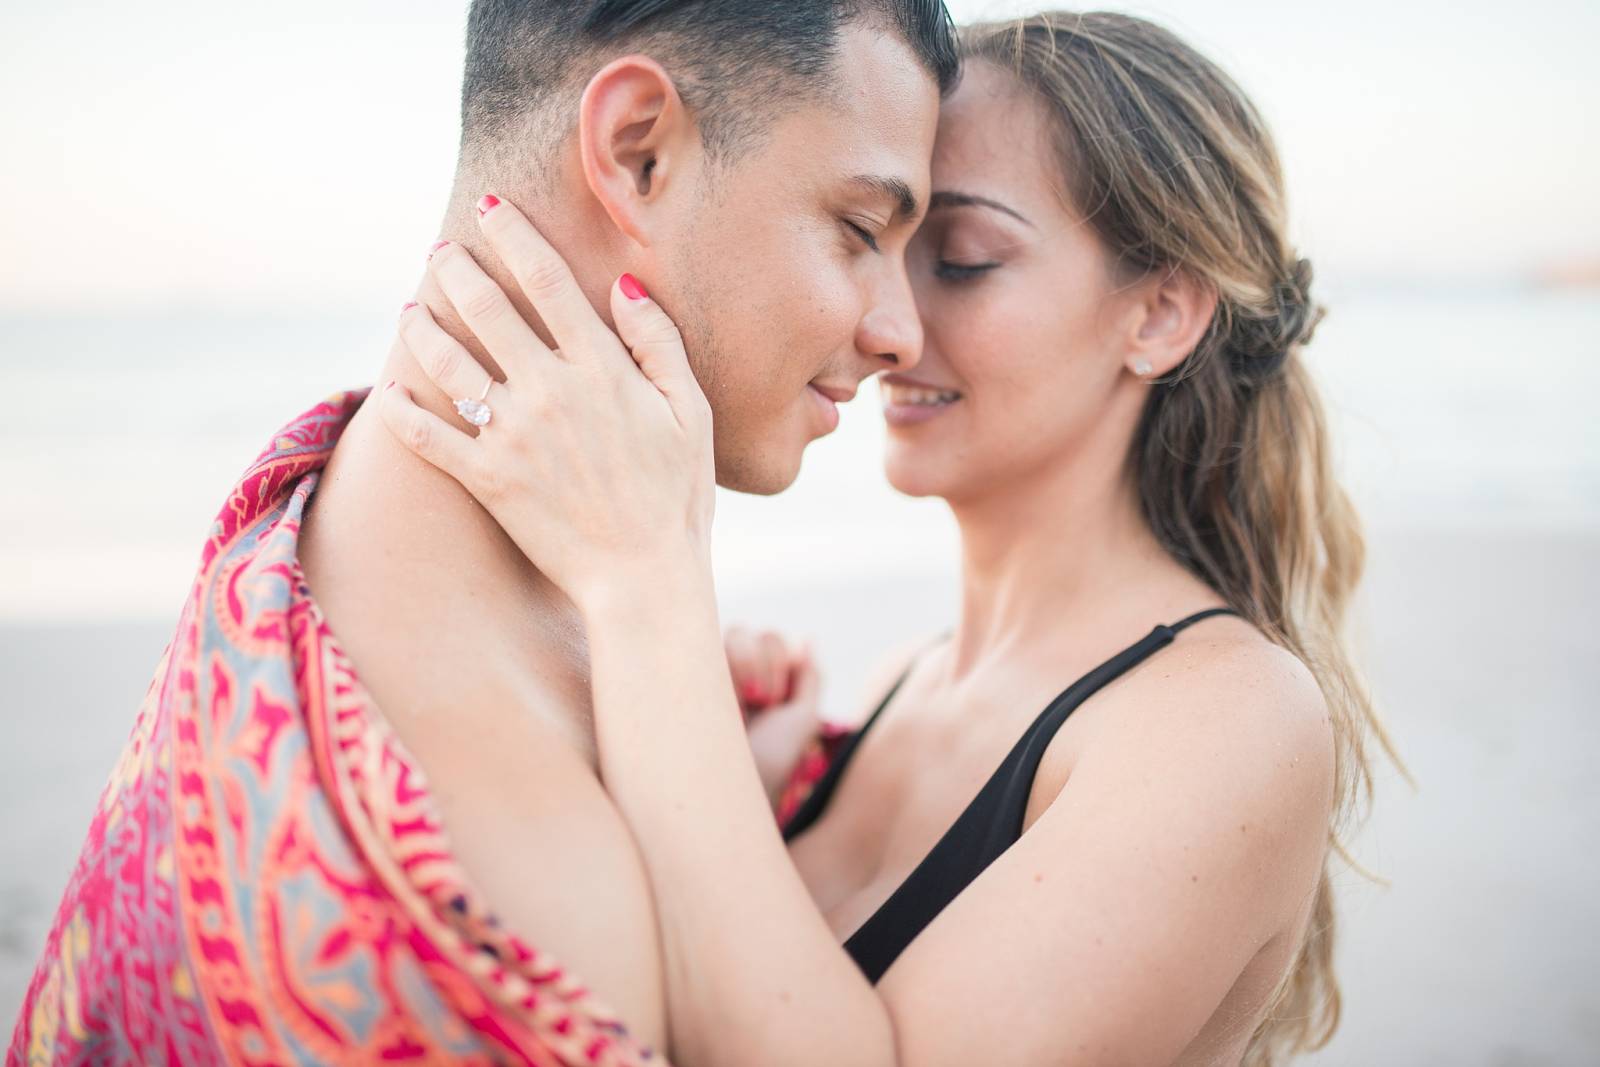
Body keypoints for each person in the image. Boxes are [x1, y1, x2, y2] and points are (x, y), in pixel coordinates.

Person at [378, 11, 1401, 1066]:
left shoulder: (1227, 720)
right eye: (869, 234)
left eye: (956, 258)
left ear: (1158, 314)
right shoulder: (896, 685)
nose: (887, 321)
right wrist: (704, 748)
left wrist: (648, 587)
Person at [8, 3, 958, 1064]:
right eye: (861, 229)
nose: (898, 331)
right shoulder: (529, 897)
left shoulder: (324, 501)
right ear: (637, 152)